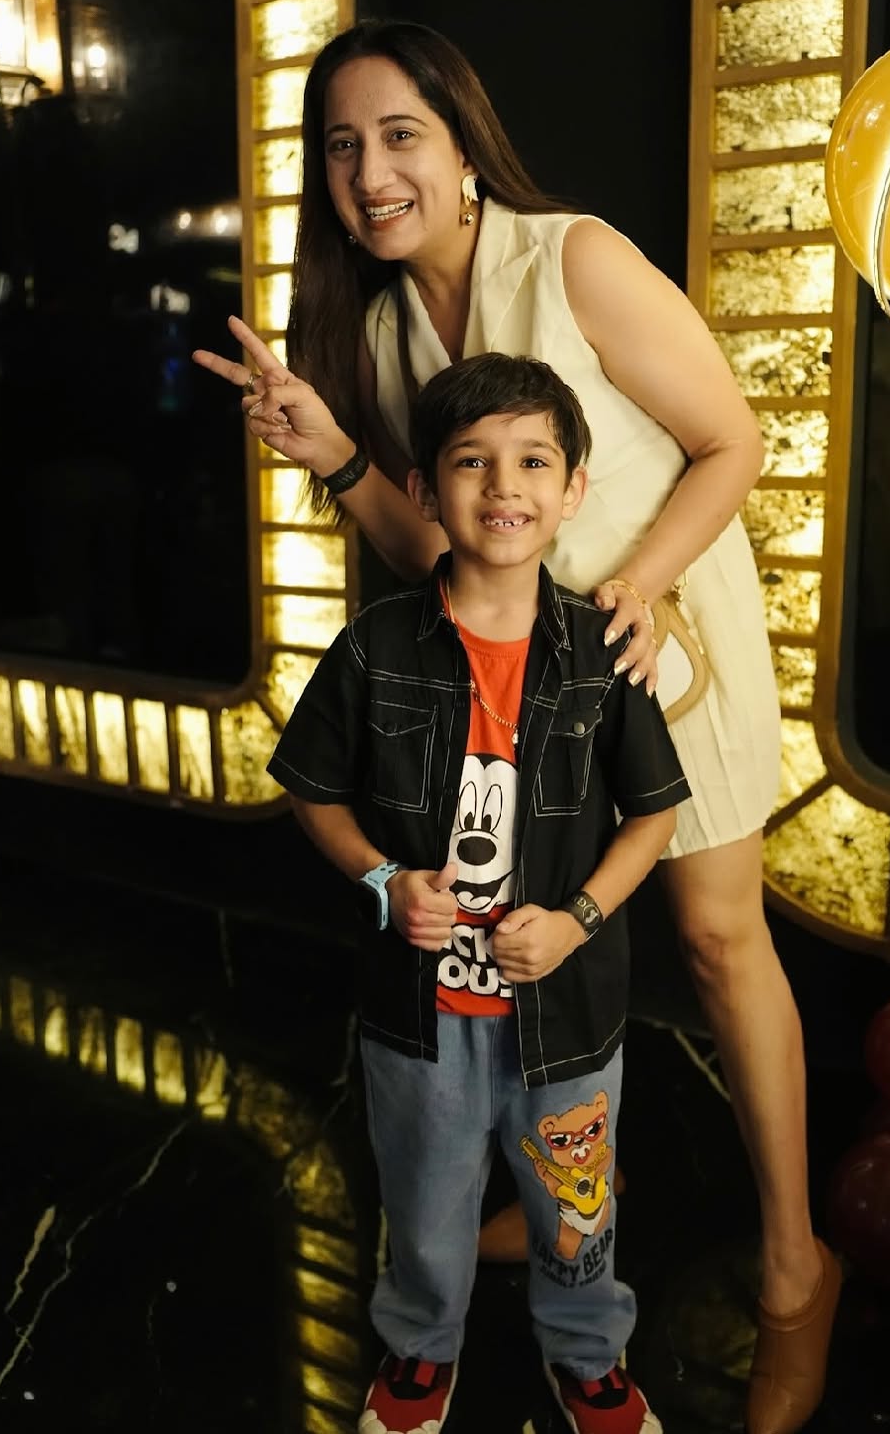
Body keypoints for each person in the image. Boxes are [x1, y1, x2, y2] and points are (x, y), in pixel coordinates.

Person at [193, 20, 841, 1433]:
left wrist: (637, 585)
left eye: (400, 135)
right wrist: (336, 450)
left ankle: (797, 1263)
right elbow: (434, 543)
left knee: (717, 937)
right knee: (525, 934)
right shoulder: (379, 327)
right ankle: (565, 1194)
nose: (371, 172)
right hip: (519, 695)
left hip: (660, 643)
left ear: (465, 144)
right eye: (342, 147)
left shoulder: (575, 256)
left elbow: (733, 437)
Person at [267, 351, 689, 1434]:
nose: (505, 486)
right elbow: (313, 790)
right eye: (471, 462)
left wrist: (579, 919)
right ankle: (419, 1348)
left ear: (573, 488)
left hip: (568, 1011)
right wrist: (382, 878)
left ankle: (588, 1355)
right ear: (423, 489)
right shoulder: (375, 647)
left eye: (534, 461)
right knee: (424, 1198)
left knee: (575, 1203)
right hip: (419, 1016)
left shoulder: (603, 652)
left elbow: (653, 816)